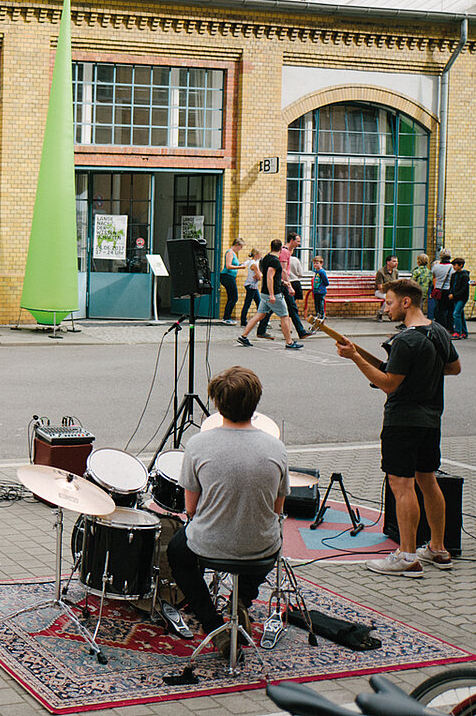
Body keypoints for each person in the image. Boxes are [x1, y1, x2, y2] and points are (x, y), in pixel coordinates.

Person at [335, 278, 459, 577]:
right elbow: (454, 367)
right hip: (431, 420)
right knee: (428, 481)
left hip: (403, 421)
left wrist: (354, 357)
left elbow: (389, 383)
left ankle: (406, 555)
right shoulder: (438, 331)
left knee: (402, 486)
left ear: (406, 302)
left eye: (389, 302)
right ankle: (438, 549)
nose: (385, 307)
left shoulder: (406, 340)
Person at [166, 366, 288, 658]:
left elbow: (192, 509)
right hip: (260, 548)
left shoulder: (198, 444)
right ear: (256, 403)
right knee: (270, 539)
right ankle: (242, 599)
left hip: (209, 544)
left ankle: (214, 626)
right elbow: (277, 508)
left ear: (217, 403)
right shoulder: (276, 447)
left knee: (177, 553)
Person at [237, 239, 302, 350]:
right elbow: (269, 277)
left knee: (260, 315)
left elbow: (272, 277)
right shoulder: (274, 261)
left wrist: (283, 282)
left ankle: (243, 336)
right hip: (273, 294)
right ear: (281, 248)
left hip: (264, 293)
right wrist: (272, 294)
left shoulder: (266, 258)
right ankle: (289, 342)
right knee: (285, 316)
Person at [279, 233, 309, 339]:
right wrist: (289, 285)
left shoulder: (289, 251)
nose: (299, 244)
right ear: (291, 240)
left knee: (291, 307)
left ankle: (301, 331)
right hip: (283, 283)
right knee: (269, 308)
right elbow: (283, 270)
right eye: (298, 241)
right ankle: (261, 329)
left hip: (285, 283)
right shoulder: (284, 251)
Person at [219, 238, 244, 325]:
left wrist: (240, 265)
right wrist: (240, 267)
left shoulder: (234, 253)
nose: (241, 249)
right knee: (234, 297)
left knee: (231, 297)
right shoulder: (230, 252)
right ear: (236, 245)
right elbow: (228, 266)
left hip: (231, 276)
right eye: (241, 247)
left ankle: (227, 317)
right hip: (227, 276)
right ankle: (226, 317)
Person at [429, 250, 455, 331]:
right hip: (449, 290)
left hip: (439, 290)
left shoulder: (435, 267)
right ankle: (449, 327)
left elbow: (434, 277)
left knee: (440, 309)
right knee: (450, 310)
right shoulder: (452, 267)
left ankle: (441, 327)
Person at [240, 248, 262, 327]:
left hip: (252, 285)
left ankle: (261, 319)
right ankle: (243, 320)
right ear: (256, 254)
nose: (260, 256)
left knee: (258, 302)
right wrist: (260, 275)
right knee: (248, 303)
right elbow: (259, 276)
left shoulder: (250, 262)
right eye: (260, 254)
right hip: (251, 285)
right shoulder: (254, 264)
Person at [449, 258, 470, 339]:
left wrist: (454, 295)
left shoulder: (464, 276)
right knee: (460, 314)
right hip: (455, 297)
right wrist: (451, 293)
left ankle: (457, 332)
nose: (454, 267)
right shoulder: (454, 275)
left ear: (460, 265)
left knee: (456, 313)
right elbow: (451, 285)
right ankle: (464, 332)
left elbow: (464, 289)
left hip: (461, 298)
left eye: (455, 265)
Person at [375, 255, 399, 321]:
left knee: (399, 298)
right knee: (388, 298)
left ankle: (391, 314)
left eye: (397, 261)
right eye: (394, 261)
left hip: (391, 292)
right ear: (388, 262)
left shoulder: (396, 272)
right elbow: (380, 287)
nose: (396, 263)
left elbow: (396, 283)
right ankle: (380, 313)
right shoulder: (381, 272)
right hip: (380, 292)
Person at [311, 255, 329, 320]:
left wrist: (321, 286)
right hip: (316, 290)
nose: (315, 265)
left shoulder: (322, 272)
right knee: (316, 305)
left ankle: (321, 316)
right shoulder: (316, 272)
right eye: (314, 263)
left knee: (320, 304)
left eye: (317, 263)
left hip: (321, 291)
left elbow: (326, 282)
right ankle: (318, 314)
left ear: (321, 263)